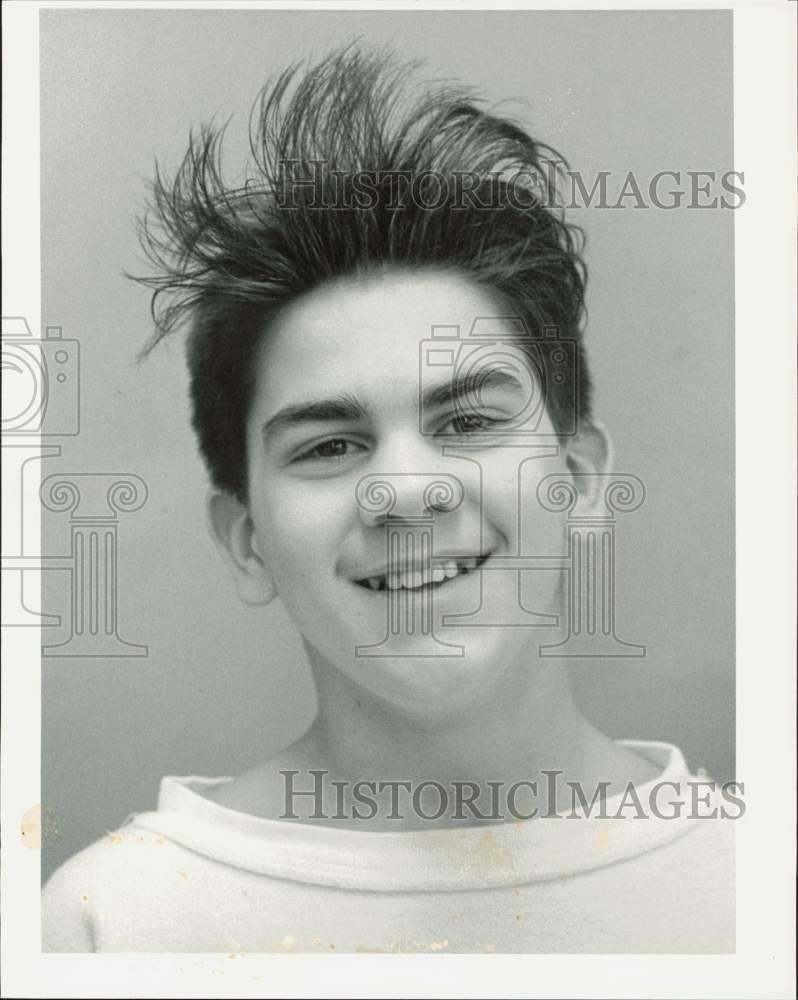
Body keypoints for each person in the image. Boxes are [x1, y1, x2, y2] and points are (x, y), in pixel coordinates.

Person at [42, 44, 735, 954]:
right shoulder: (111, 921)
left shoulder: (750, 878)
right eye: (330, 445)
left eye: (467, 423)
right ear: (246, 541)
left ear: (579, 481)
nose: (406, 491)